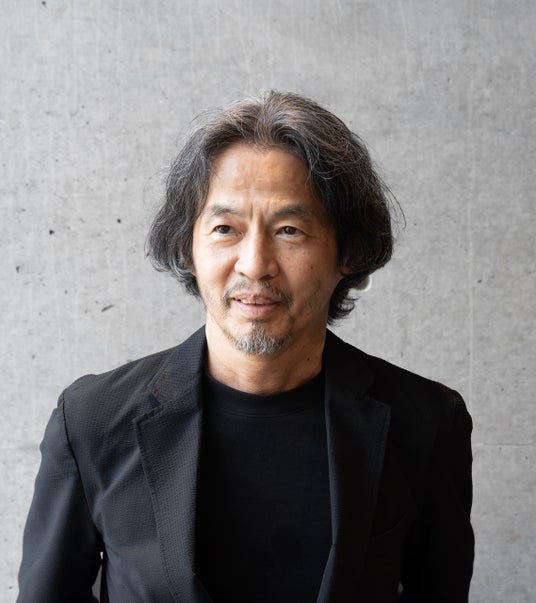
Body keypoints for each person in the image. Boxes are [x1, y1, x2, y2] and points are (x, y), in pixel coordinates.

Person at [17, 91, 474, 603]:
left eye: (289, 230)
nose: (255, 264)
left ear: (347, 251)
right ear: (188, 247)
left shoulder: (426, 423)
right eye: (225, 229)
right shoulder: (92, 421)